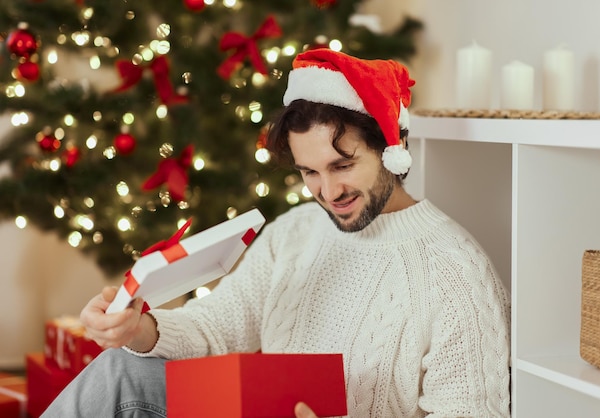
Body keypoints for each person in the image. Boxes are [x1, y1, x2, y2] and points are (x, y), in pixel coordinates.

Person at [42, 49, 511, 417]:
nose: (329, 192)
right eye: (310, 172)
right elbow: (218, 327)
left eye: (343, 166)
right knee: (121, 371)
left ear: (392, 148)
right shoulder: (297, 231)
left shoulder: (456, 274)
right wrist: (139, 328)